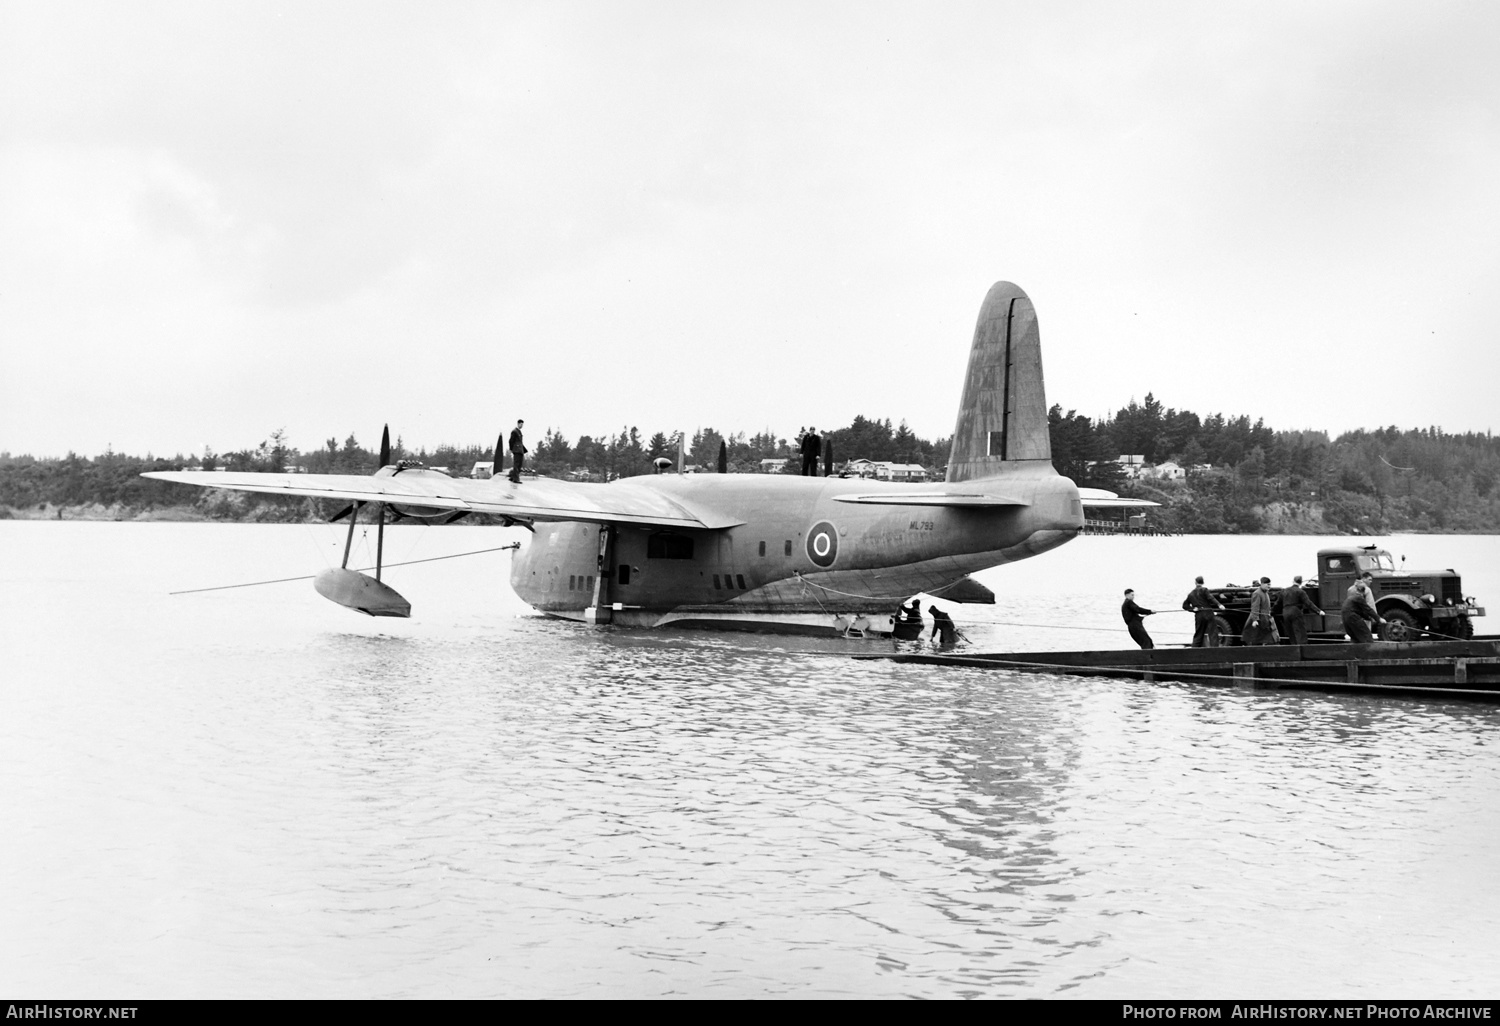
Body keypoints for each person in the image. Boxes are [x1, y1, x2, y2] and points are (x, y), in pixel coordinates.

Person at [1182, 575, 1225, 648]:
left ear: (1195, 582)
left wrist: (1192, 609)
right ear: (1203, 582)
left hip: (1199, 615)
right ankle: (1214, 650)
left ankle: (1194, 650)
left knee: (1199, 633)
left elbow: (1184, 605)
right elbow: (1211, 598)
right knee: (1213, 632)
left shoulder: (1191, 594)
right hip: (1208, 613)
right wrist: (1219, 604)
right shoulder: (1204, 590)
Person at [1280, 574, 1322, 647]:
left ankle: (1293, 649)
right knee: (1300, 632)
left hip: (1285, 612)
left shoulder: (1284, 591)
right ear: (1301, 582)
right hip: (1295, 612)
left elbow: (1278, 603)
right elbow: (1308, 603)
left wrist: (1272, 612)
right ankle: (1302, 650)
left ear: (1293, 581)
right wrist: (1318, 611)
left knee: (1291, 633)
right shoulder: (1300, 591)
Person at [1342, 572, 1384, 643]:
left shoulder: (1350, 590)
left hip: (1345, 618)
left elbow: (1354, 607)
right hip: (1355, 618)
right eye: (1369, 579)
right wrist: (1378, 619)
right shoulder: (1364, 592)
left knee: (1355, 638)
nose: (1371, 582)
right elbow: (1369, 607)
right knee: (1367, 637)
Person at [1242, 577, 1276, 646]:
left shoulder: (1266, 593)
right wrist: (1255, 620)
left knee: (1265, 639)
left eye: (1270, 584)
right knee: (1256, 639)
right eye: (1267, 584)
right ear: (1262, 584)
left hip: (1265, 619)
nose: (1269, 586)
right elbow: (1255, 608)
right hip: (1258, 620)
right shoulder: (1257, 593)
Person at [508, 419, 528, 483]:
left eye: (522, 424)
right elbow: (511, 441)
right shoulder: (514, 431)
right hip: (517, 450)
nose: (522, 425)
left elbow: (520, 442)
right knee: (517, 465)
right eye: (521, 424)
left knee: (519, 465)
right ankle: (516, 479)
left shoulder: (519, 431)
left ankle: (512, 477)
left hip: (520, 450)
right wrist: (511, 449)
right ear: (518, 424)